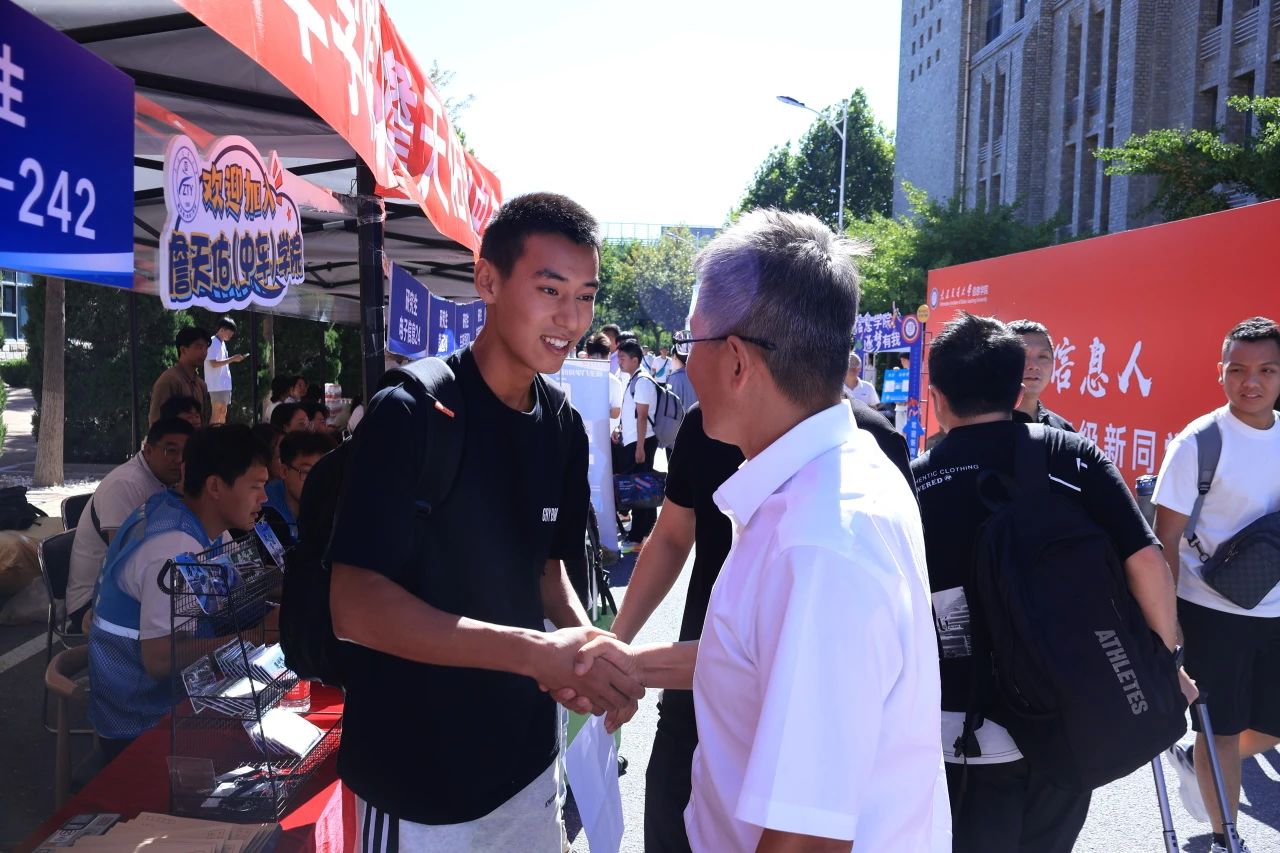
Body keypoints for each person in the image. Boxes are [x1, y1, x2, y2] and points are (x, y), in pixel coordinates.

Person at [564, 209, 947, 852]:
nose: (685, 365)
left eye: (690, 344)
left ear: (737, 361)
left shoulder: (820, 544)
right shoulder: (826, 483)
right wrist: (628, 662)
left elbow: (807, 839)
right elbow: (756, 659)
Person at [326, 192, 643, 850]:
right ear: (488, 280)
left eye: (585, 296)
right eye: (550, 289)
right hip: (417, 783)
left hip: (529, 769)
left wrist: (586, 649)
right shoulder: (411, 411)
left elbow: (546, 570)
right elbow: (353, 604)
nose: (571, 318)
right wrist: (533, 652)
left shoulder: (562, 427)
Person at [911, 312, 1193, 853]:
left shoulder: (916, 481)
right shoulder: (1071, 455)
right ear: (1017, 389)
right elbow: (1146, 561)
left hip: (964, 734)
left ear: (937, 398)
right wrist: (1164, 662)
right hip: (1076, 709)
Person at [611, 391, 917, 852]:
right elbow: (671, 536)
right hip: (693, 688)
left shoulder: (870, 439)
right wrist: (616, 649)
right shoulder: (706, 421)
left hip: (806, 720)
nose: (694, 367)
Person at [1154, 316, 1280, 853]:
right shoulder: (1199, 442)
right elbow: (1166, 538)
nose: (1251, 381)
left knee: (1267, 727)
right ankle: (1226, 837)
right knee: (1222, 729)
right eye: (1238, 369)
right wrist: (1169, 621)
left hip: (1275, 610)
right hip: (1211, 610)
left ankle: (1196, 757)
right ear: (1220, 372)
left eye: (1266, 370)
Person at [88, 424, 270, 758]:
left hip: (175, 699)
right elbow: (160, 659)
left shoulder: (197, 520)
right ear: (214, 486)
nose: (264, 498)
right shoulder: (174, 545)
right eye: (256, 486)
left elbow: (236, 591)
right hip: (141, 722)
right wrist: (253, 638)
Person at [65, 418, 195, 635]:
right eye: (170, 451)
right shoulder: (126, 484)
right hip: (92, 600)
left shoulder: (164, 481)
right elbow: (123, 560)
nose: (179, 460)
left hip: (135, 585)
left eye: (186, 453)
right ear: (148, 450)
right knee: (183, 626)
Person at [614, 339, 658, 555]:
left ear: (635, 360)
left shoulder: (642, 381)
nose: (619, 361)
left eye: (622, 358)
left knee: (641, 492)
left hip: (643, 443)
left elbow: (642, 417)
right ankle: (646, 535)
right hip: (637, 441)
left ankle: (639, 538)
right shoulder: (635, 379)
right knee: (643, 491)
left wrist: (640, 447)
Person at [262, 430, 336, 544]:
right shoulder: (266, 516)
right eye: (307, 472)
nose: (317, 481)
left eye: (324, 474)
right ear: (284, 471)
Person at [1007, 319, 1075, 431]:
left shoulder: (1063, 430)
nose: (1034, 366)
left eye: (1043, 356)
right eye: (1022, 355)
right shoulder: (984, 426)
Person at [148, 327, 209, 426]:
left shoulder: (201, 385)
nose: (204, 352)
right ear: (183, 350)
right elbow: (156, 423)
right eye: (199, 347)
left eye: (206, 348)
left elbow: (203, 422)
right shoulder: (169, 381)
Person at [205, 317, 246, 425]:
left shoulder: (222, 343)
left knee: (223, 411)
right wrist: (232, 359)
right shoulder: (213, 342)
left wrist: (233, 359)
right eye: (229, 332)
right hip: (216, 384)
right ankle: (213, 434)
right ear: (222, 329)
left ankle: (221, 433)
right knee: (217, 412)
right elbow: (213, 363)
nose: (231, 335)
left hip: (224, 384)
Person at [585, 333, 623, 421]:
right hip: (603, 428)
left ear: (587, 356)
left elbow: (616, 412)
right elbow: (616, 413)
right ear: (609, 355)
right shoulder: (614, 382)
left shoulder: (576, 378)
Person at [665, 347, 698, 413]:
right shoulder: (696, 375)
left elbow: (671, 405)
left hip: (680, 418)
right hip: (697, 416)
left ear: (674, 356)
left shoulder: (674, 378)